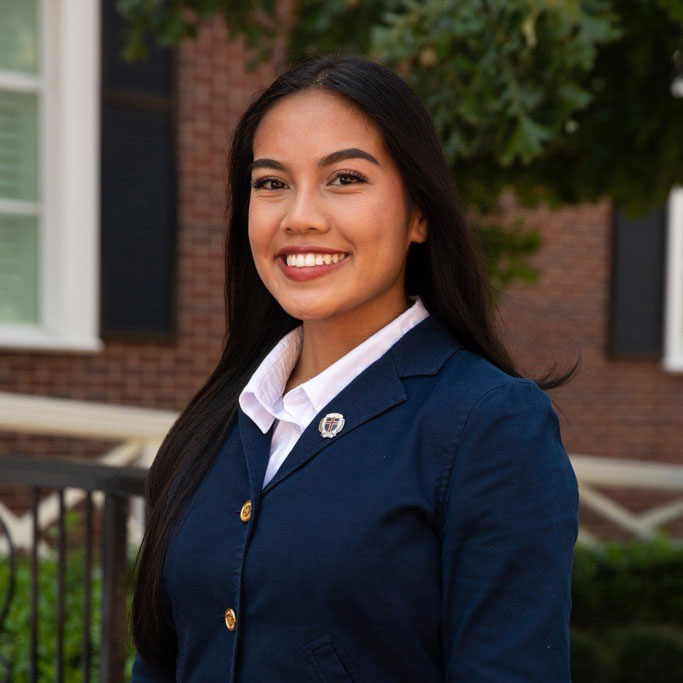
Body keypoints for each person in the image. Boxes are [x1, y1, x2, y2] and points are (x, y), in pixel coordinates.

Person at [130, 53, 580, 682]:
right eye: (270, 183)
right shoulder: (219, 420)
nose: (300, 216)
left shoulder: (490, 426)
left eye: (344, 179)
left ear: (420, 212)